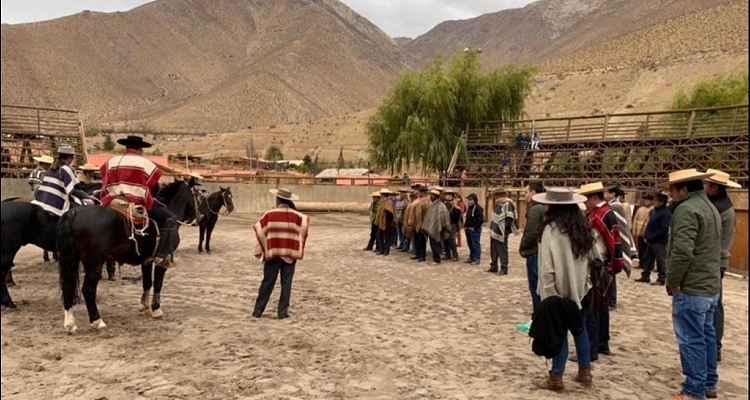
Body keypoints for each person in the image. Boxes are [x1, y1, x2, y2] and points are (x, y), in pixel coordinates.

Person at [664, 169, 722, 400]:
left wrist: (673, 280)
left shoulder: (687, 209)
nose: (670, 194)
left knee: (691, 339)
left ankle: (693, 391)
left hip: (692, 286)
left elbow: (682, 251)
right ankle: (709, 383)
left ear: (684, 189)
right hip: (709, 285)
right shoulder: (709, 206)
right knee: (706, 336)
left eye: (672, 189)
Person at [531, 187, 593, 391]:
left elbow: (547, 267)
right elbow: (591, 260)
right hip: (579, 290)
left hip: (556, 291)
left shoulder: (551, 230)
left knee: (558, 332)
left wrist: (548, 294)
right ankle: (585, 372)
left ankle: (556, 377)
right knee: (579, 329)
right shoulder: (583, 228)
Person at [100, 135, 178, 268]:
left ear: (126, 147)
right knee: (169, 218)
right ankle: (162, 255)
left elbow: (104, 178)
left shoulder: (111, 161)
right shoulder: (145, 163)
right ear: (140, 149)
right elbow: (154, 187)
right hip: (136, 202)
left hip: (113, 201)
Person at [578, 182, 625, 362]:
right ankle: (602, 344)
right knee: (601, 305)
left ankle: (591, 349)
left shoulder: (600, 214)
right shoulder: (605, 212)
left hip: (598, 265)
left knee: (592, 307)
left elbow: (600, 240)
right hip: (605, 264)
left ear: (594, 197)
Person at [252, 187, 310, 319]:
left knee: (267, 282)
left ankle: (258, 311)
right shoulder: (298, 217)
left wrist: (262, 249)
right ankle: (282, 312)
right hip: (290, 254)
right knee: (286, 282)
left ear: (277, 199)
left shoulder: (269, 215)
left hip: (273, 253)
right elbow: (303, 231)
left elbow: (260, 231)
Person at [703, 169, 740, 363]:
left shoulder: (718, 208)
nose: (703, 188)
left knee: (714, 305)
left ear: (714, 187)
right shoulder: (723, 205)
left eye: (706, 185)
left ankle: (715, 346)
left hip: (714, 261)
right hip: (718, 261)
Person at [31, 147, 95, 217]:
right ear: (70, 157)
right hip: (57, 201)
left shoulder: (51, 169)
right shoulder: (67, 169)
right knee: (85, 207)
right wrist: (88, 196)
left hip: (42, 198)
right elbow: (74, 190)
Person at [517, 182, 545, 332]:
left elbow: (532, 233)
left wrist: (523, 248)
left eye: (526, 192)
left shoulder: (535, 209)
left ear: (533, 192)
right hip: (541, 252)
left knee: (535, 288)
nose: (525, 195)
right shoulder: (544, 207)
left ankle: (537, 320)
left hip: (534, 253)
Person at [604, 183, 634, 309]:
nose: (605, 195)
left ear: (613, 194)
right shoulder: (612, 206)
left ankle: (612, 301)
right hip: (613, 242)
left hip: (615, 243)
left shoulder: (615, 207)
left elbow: (619, 228)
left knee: (611, 273)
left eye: (607, 192)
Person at [635, 193, 671, 285]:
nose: (654, 202)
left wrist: (653, 236)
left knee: (660, 260)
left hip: (659, 241)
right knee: (647, 258)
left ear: (661, 202)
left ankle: (661, 278)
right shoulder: (653, 211)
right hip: (650, 240)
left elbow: (664, 229)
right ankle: (645, 275)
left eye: (656, 200)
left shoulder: (665, 213)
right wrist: (646, 235)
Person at [488, 188, 519, 275]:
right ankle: (493, 265)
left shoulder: (507, 203)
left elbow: (509, 217)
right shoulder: (498, 203)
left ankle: (504, 268)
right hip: (495, 229)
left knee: (502, 249)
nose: (495, 196)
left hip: (502, 230)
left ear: (500, 194)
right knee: (494, 248)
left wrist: (503, 229)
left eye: (496, 194)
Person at [422, 189, 451, 265]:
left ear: (436, 196)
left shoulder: (440, 206)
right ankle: (435, 258)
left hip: (438, 228)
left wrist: (442, 226)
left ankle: (437, 260)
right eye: (431, 195)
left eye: (432, 195)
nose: (431, 196)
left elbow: (444, 216)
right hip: (433, 227)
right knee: (433, 244)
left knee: (435, 244)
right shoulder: (433, 205)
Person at [407, 185, 431, 263]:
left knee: (422, 240)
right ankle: (417, 253)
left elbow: (426, 213)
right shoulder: (418, 200)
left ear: (423, 192)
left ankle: (422, 256)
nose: (418, 193)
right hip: (416, 223)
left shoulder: (427, 201)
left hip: (423, 223)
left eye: (420, 191)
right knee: (416, 240)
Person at [631, 192, 655, 265]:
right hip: (640, 233)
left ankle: (648, 264)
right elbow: (635, 219)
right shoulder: (640, 209)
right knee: (641, 249)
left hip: (648, 233)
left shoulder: (653, 209)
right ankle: (641, 263)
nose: (646, 201)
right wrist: (634, 231)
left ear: (652, 201)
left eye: (648, 200)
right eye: (645, 199)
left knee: (647, 250)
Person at [464, 193, 484, 265]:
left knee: (475, 244)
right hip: (468, 229)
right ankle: (472, 257)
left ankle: (476, 258)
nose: (469, 201)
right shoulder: (470, 208)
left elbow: (480, 220)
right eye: (468, 200)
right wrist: (465, 226)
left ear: (475, 201)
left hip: (474, 230)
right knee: (470, 244)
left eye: (470, 200)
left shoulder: (478, 209)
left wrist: (475, 228)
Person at [374, 189, 396, 256]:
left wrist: (387, 224)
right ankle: (381, 250)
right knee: (379, 236)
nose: (381, 196)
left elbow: (390, 213)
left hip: (387, 223)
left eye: (382, 195)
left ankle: (386, 251)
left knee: (387, 238)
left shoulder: (389, 203)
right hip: (381, 223)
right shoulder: (382, 203)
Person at [443, 190, 462, 262]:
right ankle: (447, 254)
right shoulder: (444, 205)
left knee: (451, 239)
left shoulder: (455, 207)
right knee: (445, 238)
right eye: (446, 195)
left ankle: (455, 255)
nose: (447, 197)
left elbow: (455, 217)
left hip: (452, 224)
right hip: (445, 224)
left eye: (449, 195)